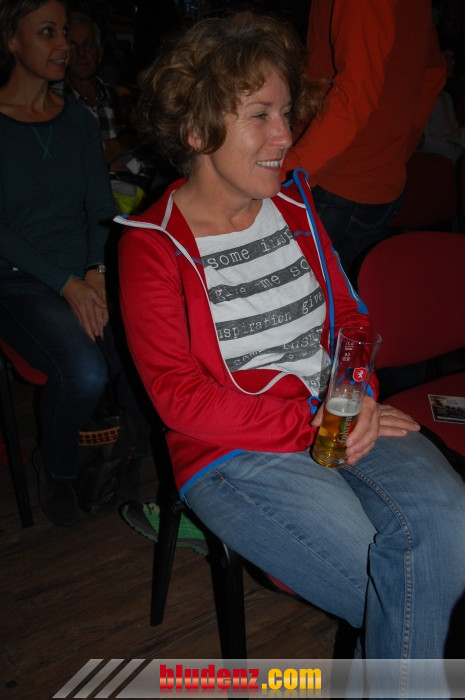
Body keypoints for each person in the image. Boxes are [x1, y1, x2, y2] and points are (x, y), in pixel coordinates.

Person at [117, 11, 465, 686]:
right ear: (196, 131)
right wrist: (313, 423)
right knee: (414, 593)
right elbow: (178, 399)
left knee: (447, 527)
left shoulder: (296, 206)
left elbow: (350, 319)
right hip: (230, 452)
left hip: (338, 415)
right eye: (260, 116)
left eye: (285, 112)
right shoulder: (152, 246)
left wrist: (356, 393)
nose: (285, 135)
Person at [0, 0, 115, 526]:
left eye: (64, 31)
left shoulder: (78, 121)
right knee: (86, 373)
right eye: (47, 32)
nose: (64, 45)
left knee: (155, 341)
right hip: (19, 282)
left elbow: (101, 206)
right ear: (11, 41)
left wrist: (96, 271)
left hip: (84, 275)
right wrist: (67, 283)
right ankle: (59, 466)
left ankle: (129, 461)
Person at [281, 0, 447, 277]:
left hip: (332, 182)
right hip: (377, 183)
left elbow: (355, 95)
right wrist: (396, 150)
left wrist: (285, 174)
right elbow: (432, 72)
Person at [55, 11, 151, 211]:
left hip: (137, 193)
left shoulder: (120, 96)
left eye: (88, 44)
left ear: (99, 53)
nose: (81, 53)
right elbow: (68, 163)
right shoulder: (55, 102)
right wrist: (121, 147)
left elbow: (148, 147)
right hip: (84, 201)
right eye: (73, 46)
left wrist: (105, 155)